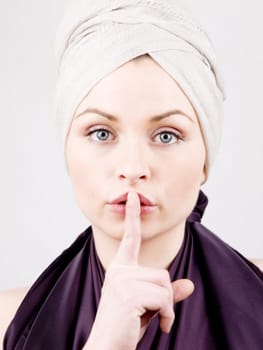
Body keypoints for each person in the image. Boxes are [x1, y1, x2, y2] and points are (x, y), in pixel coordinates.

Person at [1, 0, 263, 349]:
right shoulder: (10, 324)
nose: (133, 168)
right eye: (101, 133)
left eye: (166, 135)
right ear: (67, 150)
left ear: (205, 159)